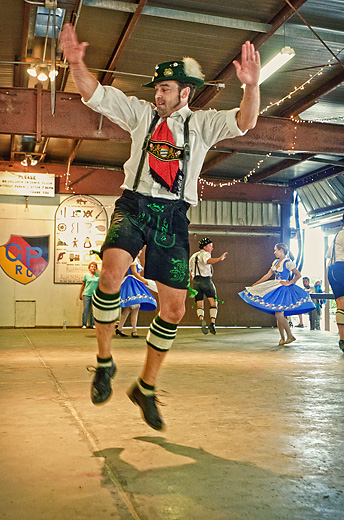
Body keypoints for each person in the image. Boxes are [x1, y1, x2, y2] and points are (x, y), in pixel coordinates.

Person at [60, 23, 260, 430]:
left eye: (166, 88)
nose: (159, 94)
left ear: (185, 92)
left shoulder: (203, 125)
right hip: (134, 205)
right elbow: (93, 94)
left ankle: (145, 388)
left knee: (174, 307)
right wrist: (76, 64)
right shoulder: (140, 115)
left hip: (173, 215)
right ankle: (104, 362)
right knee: (111, 273)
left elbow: (247, 120)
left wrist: (252, 86)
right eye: (157, 88)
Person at [238, 243, 315, 345]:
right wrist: (257, 283)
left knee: (279, 313)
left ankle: (289, 336)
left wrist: (290, 282)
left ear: (281, 250)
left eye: (275, 250)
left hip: (284, 289)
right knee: (278, 314)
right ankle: (283, 338)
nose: (274, 252)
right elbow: (268, 275)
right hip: (275, 286)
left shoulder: (287, 262)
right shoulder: (275, 262)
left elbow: (298, 275)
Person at [189, 237, 228, 335]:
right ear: (205, 247)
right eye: (210, 246)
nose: (212, 248)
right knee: (213, 302)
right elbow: (207, 261)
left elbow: (190, 269)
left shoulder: (193, 256)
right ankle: (212, 323)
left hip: (196, 282)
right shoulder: (206, 254)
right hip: (206, 281)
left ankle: (201, 319)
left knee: (199, 303)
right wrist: (219, 259)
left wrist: (193, 277)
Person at [116, 252, 157, 338]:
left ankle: (120, 328)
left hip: (134, 282)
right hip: (132, 283)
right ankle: (134, 331)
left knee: (128, 308)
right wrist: (143, 280)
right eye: (139, 250)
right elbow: (134, 272)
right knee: (134, 307)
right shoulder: (133, 259)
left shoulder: (136, 260)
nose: (141, 252)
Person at [326, 216, 344, 352]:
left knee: (340, 305)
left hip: (332, 270)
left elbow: (328, 256)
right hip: (342, 267)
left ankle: (342, 339)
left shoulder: (337, 235)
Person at [79, 261, 99, 328]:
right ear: (89, 268)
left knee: (93, 310)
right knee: (85, 309)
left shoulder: (98, 276)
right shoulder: (86, 275)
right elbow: (83, 285)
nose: (93, 268)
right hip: (86, 294)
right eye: (92, 266)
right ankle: (84, 324)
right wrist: (80, 293)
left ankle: (93, 324)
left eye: (94, 267)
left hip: (95, 295)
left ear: (96, 268)